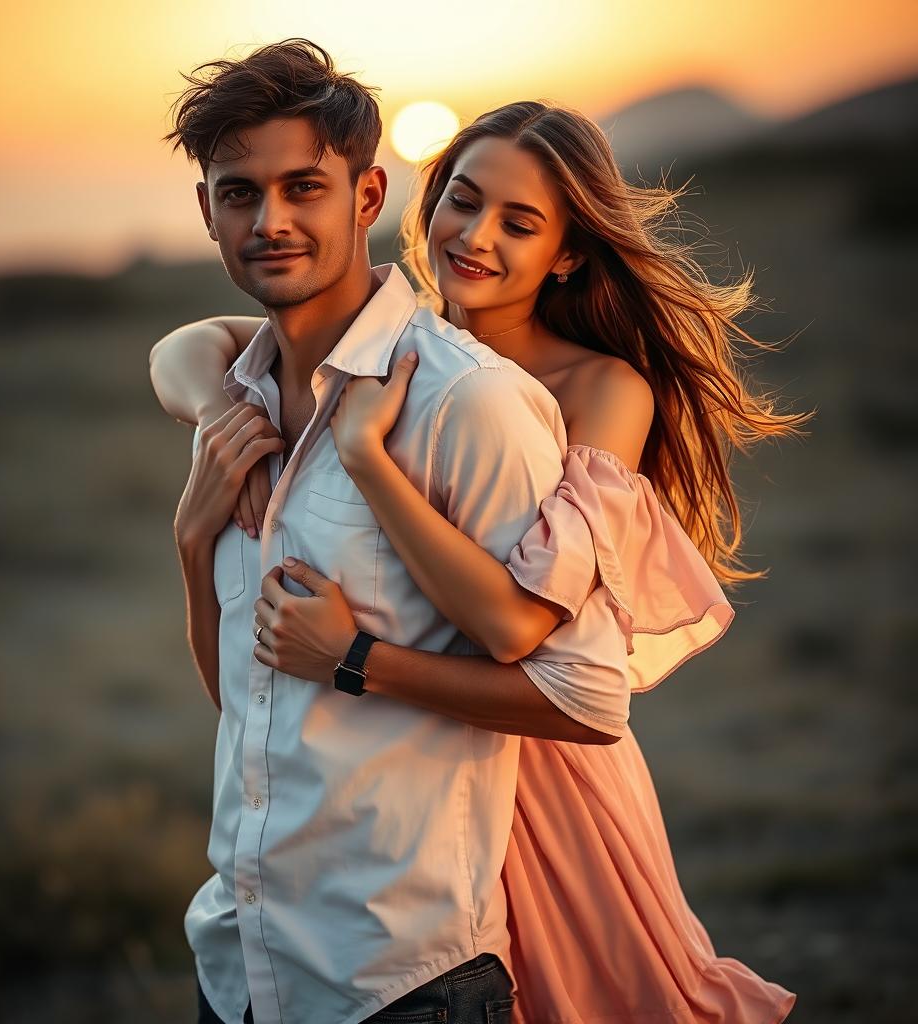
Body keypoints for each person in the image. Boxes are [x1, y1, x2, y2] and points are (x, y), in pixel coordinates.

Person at [153, 43, 809, 1024]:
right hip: (327, 863)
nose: (475, 236)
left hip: (528, 748)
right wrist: (211, 457)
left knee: (579, 982)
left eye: (519, 221)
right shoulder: (336, 356)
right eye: (462, 199)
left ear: (567, 252)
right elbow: (187, 346)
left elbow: (522, 629)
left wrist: (369, 485)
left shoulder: (562, 393)